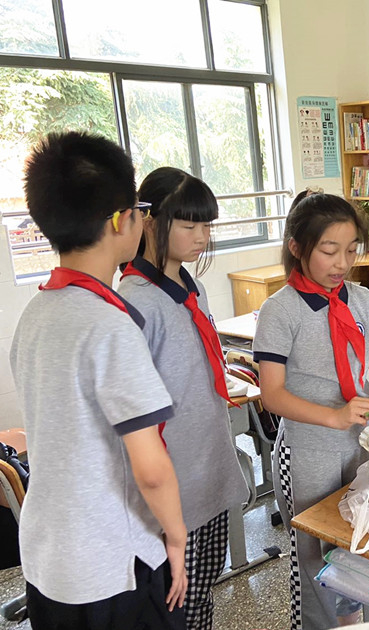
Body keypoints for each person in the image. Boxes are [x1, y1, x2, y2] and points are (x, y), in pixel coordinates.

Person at [10, 131, 188, 629]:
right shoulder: (109, 324)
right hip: (113, 561)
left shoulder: (37, 313)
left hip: (50, 555)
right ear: (120, 220)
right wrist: (175, 536)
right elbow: (149, 467)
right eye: (139, 208)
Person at [252, 193, 369, 630]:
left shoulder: (362, 301)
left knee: (360, 540)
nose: (341, 262)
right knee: (312, 552)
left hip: (359, 444)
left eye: (351, 250)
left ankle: (354, 622)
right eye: (329, 250)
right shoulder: (280, 311)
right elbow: (271, 395)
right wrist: (335, 416)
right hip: (308, 450)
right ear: (297, 247)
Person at [117, 167, 248, 630]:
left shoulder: (192, 285)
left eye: (206, 225)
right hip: (172, 479)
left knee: (202, 588)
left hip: (206, 460)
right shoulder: (135, 300)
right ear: (150, 222)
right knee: (177, 601)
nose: (201, 236)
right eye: (189, 225)